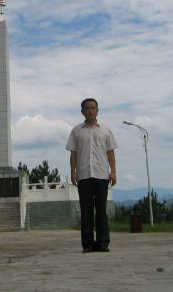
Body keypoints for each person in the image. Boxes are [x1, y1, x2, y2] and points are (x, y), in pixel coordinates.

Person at [66, 98, 118, 253]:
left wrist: (113, 171)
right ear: (82, 111)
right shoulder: (76, 131)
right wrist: (73, 172)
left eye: (93, 108)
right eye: (87, 108)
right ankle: (88, 244)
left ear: (98, 110)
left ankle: (103, 243)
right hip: (84, 175)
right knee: (86, 211)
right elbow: (73, 153)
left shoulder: (106, 130)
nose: (90, 110)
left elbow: (110, 152)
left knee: (101, 210)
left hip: (102, 175)